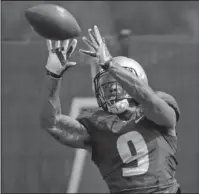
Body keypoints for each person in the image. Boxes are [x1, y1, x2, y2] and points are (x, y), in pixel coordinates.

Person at [40, 26, 181, 194]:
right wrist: (53, 76)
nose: (112, 90)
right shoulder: (97, 125)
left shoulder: (158, 109)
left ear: (137, 79)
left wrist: (110, 64)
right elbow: (52, 123)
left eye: (118, 84)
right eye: (106, 87)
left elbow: (148, 99)